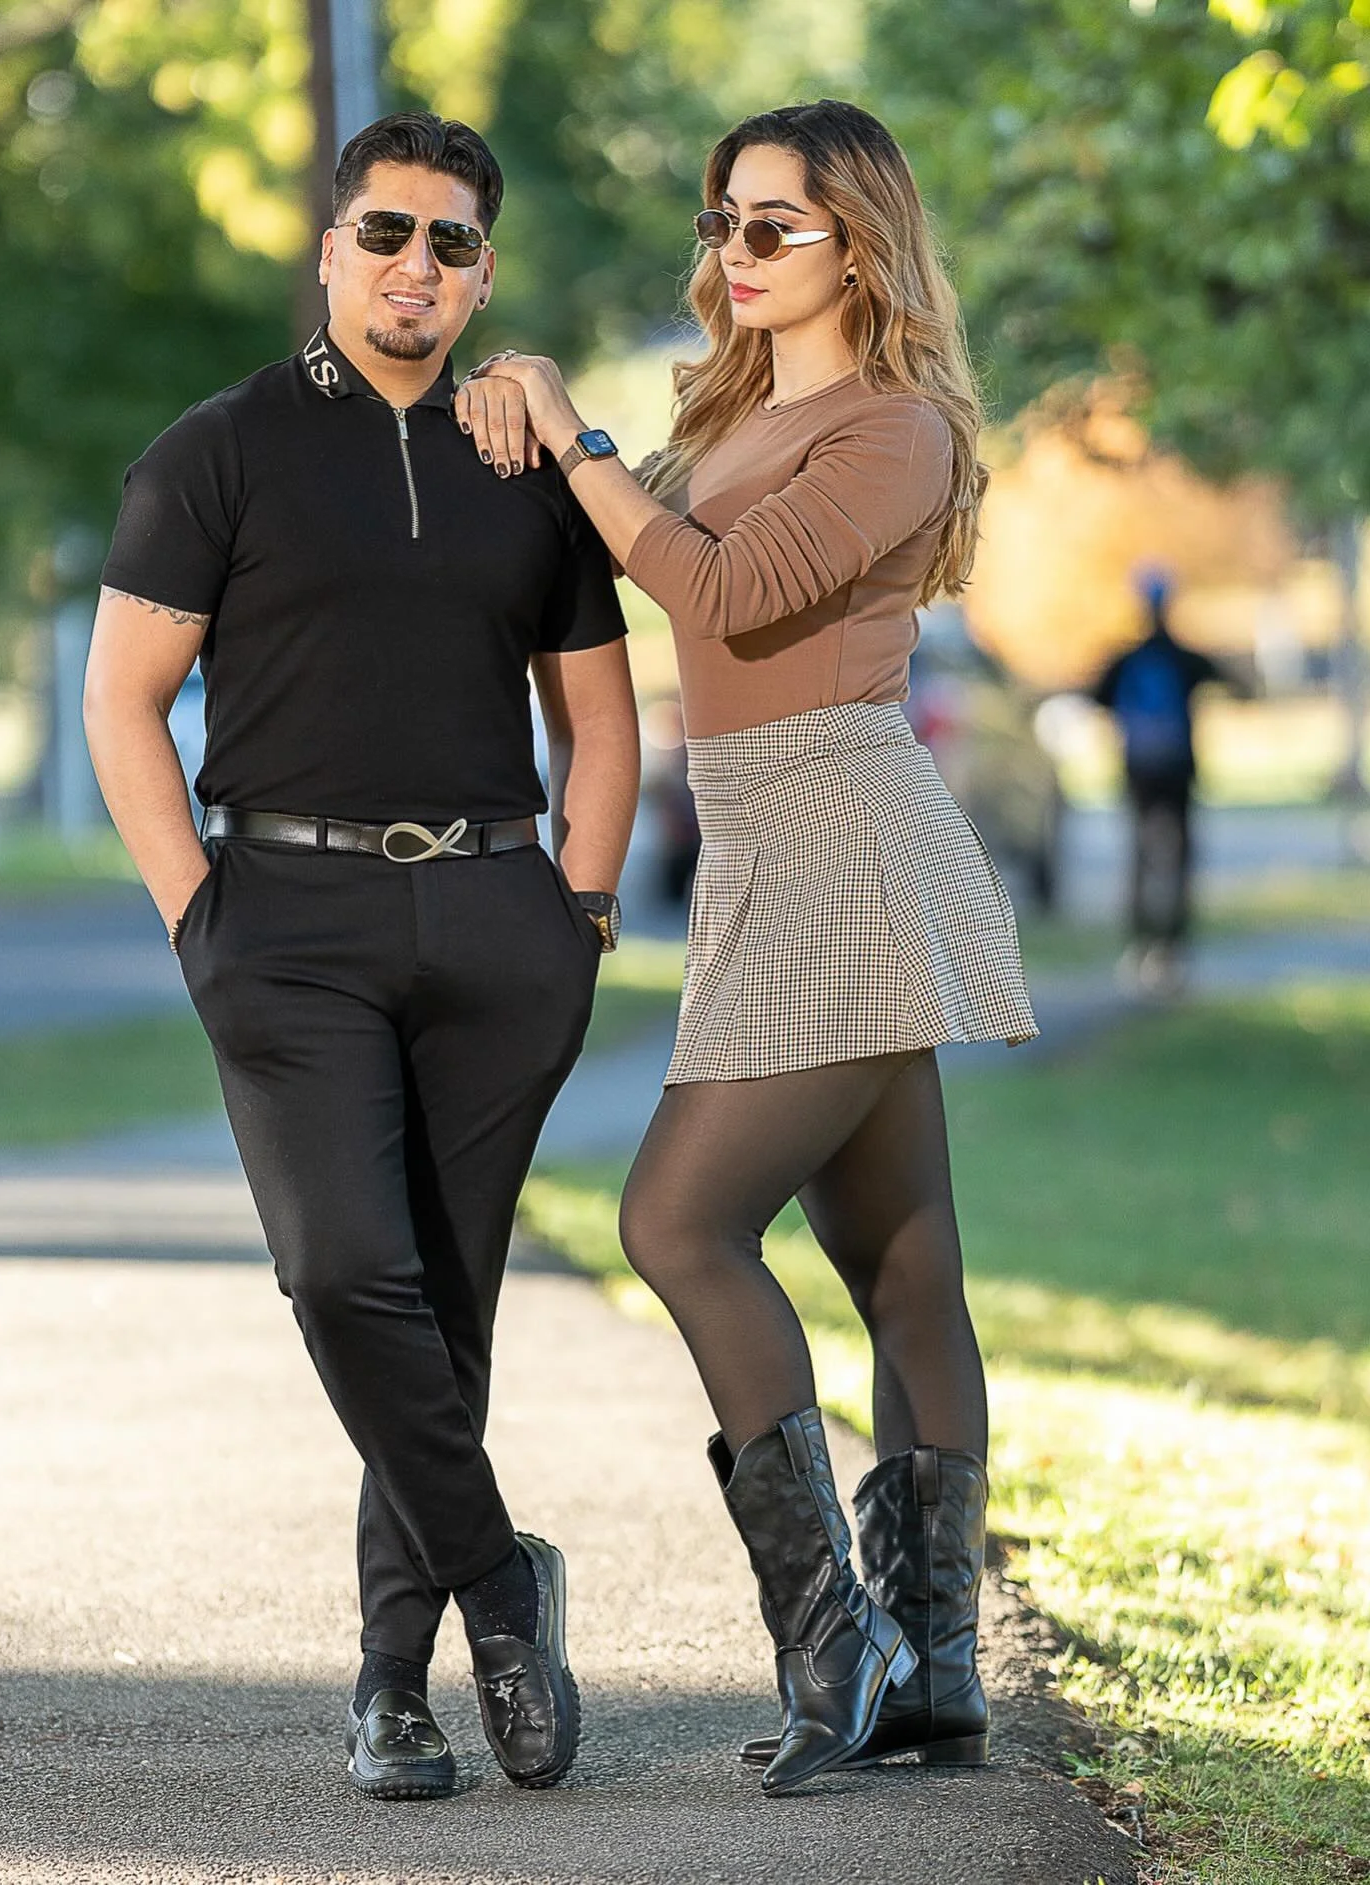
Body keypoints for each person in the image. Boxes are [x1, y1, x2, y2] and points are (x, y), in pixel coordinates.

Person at [462, 99, 1037, 1794]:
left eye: (772, 224)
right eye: (722, 222)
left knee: (677, 1217)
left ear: (858, 239)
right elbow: (644, 540)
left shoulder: (899, 429)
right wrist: (538, 429)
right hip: (765, 842)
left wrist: (575, 434)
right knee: (904, 1266)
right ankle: (934, 1673)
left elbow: (719, 595)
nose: (734, 252)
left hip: (846, 837)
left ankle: (835, 1639)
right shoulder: (734, 412)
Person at [82, 111, 639, 1801]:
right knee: (344, 1276)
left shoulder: (526, 465)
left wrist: (583, 914)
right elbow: (124, 703)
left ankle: (393, 1692)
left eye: (452, 242)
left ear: (482, 273)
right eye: (387, 232)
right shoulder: (220, 450)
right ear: (329, 252)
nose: (417, 264)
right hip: (288, 923)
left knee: (444, 1305)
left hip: (495, 919)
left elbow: (601, 722)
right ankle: (502, 1596)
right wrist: (200, 914)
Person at [1090, 568, 1235, 993]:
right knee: (1182, 858)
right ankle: (1174, 947)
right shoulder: (1183, 657)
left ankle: (1141, 944)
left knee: (1139, 855)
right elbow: (1229, 680)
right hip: (1177, 771)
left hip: (1139, 772)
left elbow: (1094, 697)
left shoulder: (1126, 659)